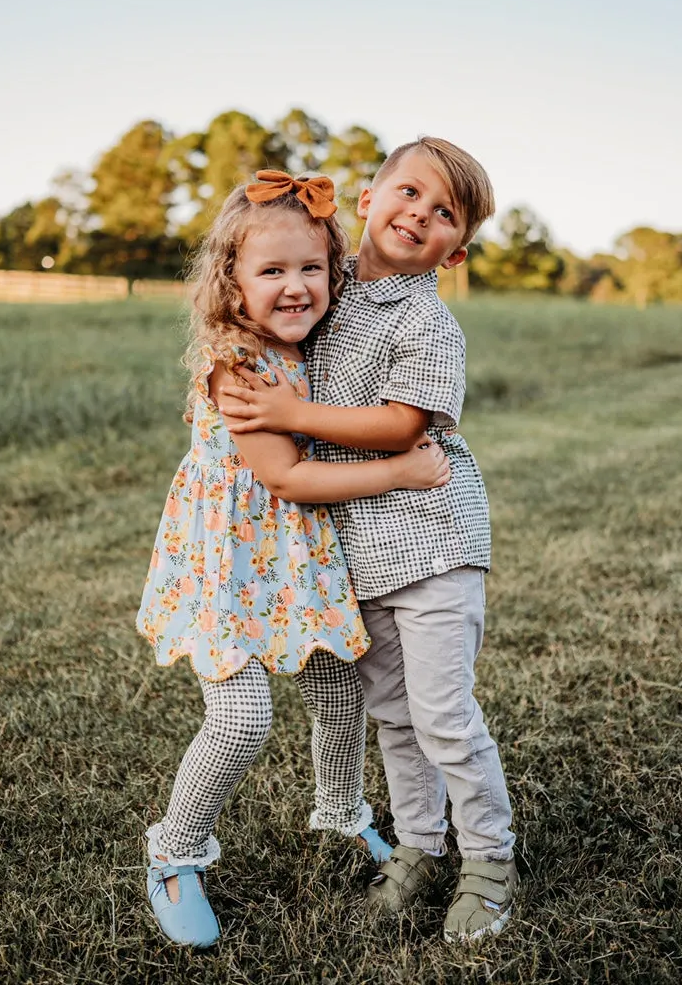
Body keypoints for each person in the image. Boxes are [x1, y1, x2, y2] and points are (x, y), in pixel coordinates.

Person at [136, 170, 451, 949]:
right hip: (229, 562)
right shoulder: (237, 362)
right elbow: (285, 475)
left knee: (339, 687)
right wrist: (401, 469)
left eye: (311, 268)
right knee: (240, 719)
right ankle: (173, 853)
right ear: (230, 281)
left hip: (292, 557)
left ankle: (342, 813)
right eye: (270, 271)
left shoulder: (310, 347)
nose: (294, 286)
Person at [219, 138, 518, 943]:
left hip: (431, 542)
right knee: (392, 714)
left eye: (444, 213)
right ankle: (420, 847)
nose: (420, 214)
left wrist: (291, 417)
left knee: (444, 715)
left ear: (456, 251)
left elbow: (402, 426)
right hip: (357, 548)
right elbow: (259, 294)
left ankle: (489, 863)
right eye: (410, 192)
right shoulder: (326, 287)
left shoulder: (428, 322)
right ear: (368, 198)